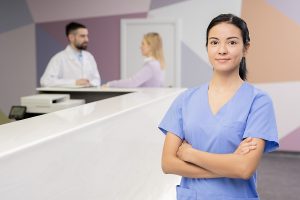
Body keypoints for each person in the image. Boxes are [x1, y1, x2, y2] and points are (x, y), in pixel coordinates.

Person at [158, 14, 279, 200]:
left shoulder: (258, 102)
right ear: (207, 47)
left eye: (231, 43)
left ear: (246, 48)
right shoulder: (185, 99)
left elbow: (244, 168)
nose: (222, 50)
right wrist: (228, 166)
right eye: (214, 42)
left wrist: (190, 153)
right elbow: (168, 163)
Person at [40, 22, 101, 87]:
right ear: (71, 37)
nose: (87, 39)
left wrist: (89, 83)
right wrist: (74, 82)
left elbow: (97, 80)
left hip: (89, 95)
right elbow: (45, 81)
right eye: (82, 36)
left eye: (87, 36)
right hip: (69, 96)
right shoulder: (59, 58)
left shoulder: (89, 56)